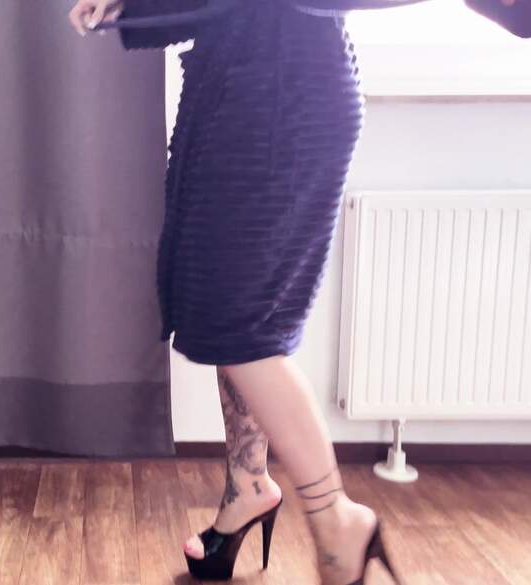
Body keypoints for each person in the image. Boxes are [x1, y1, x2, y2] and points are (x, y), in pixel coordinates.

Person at [68, 1, 398, 584]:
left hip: (282, 102)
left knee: (240, 325)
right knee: (229, 311)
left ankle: (336, 517)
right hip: (246, 96)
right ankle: (248, 485)